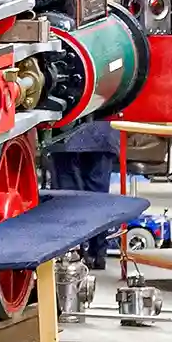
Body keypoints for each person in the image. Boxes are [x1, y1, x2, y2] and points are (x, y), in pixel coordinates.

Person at [47, 114, 122, 269]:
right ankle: (97, 253)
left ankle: (75, 253)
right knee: (98, 196)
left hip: (67, 127)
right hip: (102, 130)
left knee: (69, 196)